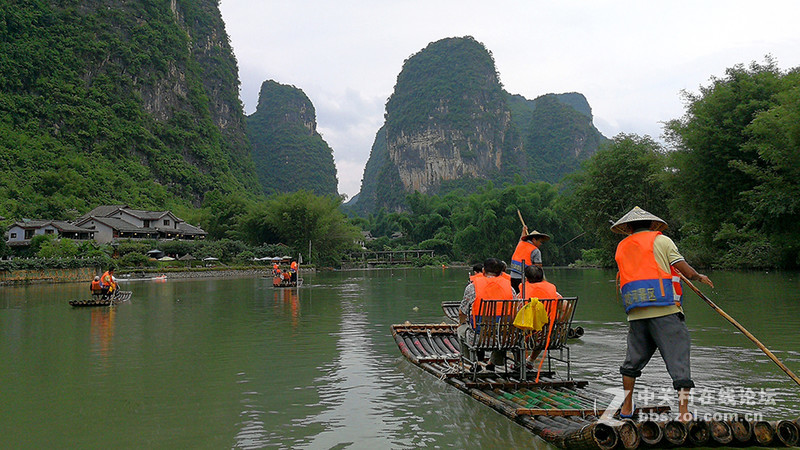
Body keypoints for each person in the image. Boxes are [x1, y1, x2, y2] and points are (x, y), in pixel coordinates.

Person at [611, 206, 714, 423]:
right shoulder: (662, 241)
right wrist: (698, 276)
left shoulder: (621, 247)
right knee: (679, 360)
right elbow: (685, 270)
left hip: (636, 312)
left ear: (628, 227)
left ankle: (627, 408)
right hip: (665, 309)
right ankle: (684, 413)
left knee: (632, 361)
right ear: (652, 225)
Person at [457, 258, 514, 371]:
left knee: (461, 330)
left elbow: (462, 312)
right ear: (502, 272)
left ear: (483, 271)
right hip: (503, 339)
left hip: (478, 338)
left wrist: (462, 323)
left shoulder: (472, 287)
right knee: (503, 328)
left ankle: (473, 362)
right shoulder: (510, 289)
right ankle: (493, 362)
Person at [518, 265, 563, 367]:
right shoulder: (554, 293)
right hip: (547, 336)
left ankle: (521, 362)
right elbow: (564, 306)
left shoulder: (522, 294)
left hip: (528, 335)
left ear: (526, 278)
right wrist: (560, 324)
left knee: (517, 330)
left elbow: (515, 311)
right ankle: (531, 360)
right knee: (543, 332)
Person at [509, 226, 550, 294]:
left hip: (512, 278)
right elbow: (538, 269)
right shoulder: (536, 251)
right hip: (524, 280)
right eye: (540, 241)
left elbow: (521, 239)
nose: (540, 244)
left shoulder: (520, 244)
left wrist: (523, 231)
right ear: (534, 240)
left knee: (516, 297)